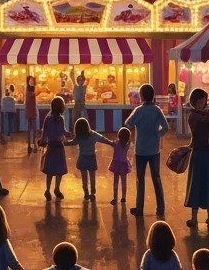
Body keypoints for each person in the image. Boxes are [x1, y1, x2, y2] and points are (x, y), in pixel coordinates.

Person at [124, 84, 169, 217]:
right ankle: (160, 208)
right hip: (154, 150)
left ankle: (139, 208)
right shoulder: (157, 110)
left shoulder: (139, 110)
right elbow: (165, 127)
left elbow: (128, 123)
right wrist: (157, 134)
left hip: (141, 150)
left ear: (142, 96)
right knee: (156, 178)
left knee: (140, 179)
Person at [184, 88, 209, 228]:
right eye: (199, 101)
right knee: (196, 184)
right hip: (198, 153)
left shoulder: (204, 115)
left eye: (203, 101)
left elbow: (208, 119)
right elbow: (205, 120)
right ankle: (194, 218)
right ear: (194, 102)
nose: (201, 104)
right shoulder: (193, 116)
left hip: (207, 152)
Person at [68, 117, 113, 200]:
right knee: (92, 175)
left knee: (84, 177)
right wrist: (111, 143)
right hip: (91, 158)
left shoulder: (79, 137)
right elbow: (102, 139)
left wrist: (64, 142)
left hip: (82, 158)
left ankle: (86, 191)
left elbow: (71, 143)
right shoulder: (93, 135)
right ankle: (93, 189)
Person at [39, 96, 69, 200]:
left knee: (50, 170)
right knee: (59, 170)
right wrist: (70, 135)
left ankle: (47, 190)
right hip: (59, 146)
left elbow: (44, 133)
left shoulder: (48, 119)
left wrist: (42, 141)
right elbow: (63, 131)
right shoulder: (61, 119)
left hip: (51, 146)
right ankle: (57, 189)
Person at [109, 126, 132, 205]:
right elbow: (129, 142)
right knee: (124, 181)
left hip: (116, 164)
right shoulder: (127, 145)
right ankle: (123, 197)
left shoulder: (115, 144)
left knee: (115, 182)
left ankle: (115, 198)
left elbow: (111, 143)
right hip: (123, 164)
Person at [24, 77, 38, 153]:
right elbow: (30, 97)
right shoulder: (28, 89)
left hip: (33, 110)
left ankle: (33, 145)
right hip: (29, 110)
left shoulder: (34, 88)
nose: (31, 82)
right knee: (30, 129)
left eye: (32, 80)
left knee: (34, 129)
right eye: (30, 80)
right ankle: (30, 145)